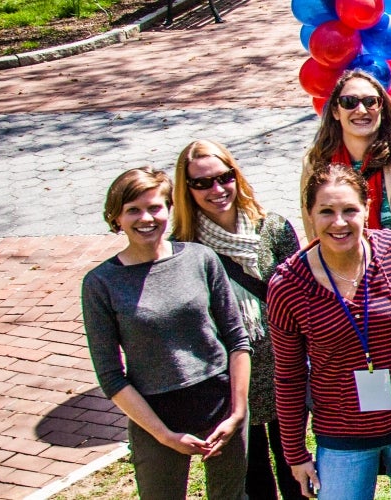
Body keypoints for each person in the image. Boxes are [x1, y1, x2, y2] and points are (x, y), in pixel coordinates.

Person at [268, 164, 391, 500]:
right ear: (310, 214)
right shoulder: (288, 285)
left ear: (367, 207)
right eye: (326, 211)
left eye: (349, 210)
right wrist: (295, 453)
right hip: (342, 435)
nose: (339, 222)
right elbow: (288, 375)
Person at [84, 167, 251, 499]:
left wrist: (238, 411)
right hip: (156, 413)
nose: (146, 218)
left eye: (155, 207)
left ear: (170, 209)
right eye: (133, 210)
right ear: (116, 217)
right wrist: (163, 435)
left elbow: (237, 338)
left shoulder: (201, 259)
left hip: (220, 402)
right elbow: (111, 376)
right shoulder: (100, 283)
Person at [168, 140, 304, 500]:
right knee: (252, 473)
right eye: (201, 183)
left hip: (282, 370)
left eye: (223, 177)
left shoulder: (271, 228)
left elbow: (300, 296)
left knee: (296, 467)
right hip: (229, 377)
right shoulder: (182, 246)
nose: (216, 190)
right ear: (186, 190)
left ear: (236, 176)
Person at [302, 71, 391, 239]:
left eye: (371, 102)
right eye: (349, 102)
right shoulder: (316, 163)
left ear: (382, 109)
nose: (361, 110)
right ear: (335, 111)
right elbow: (313, 229)